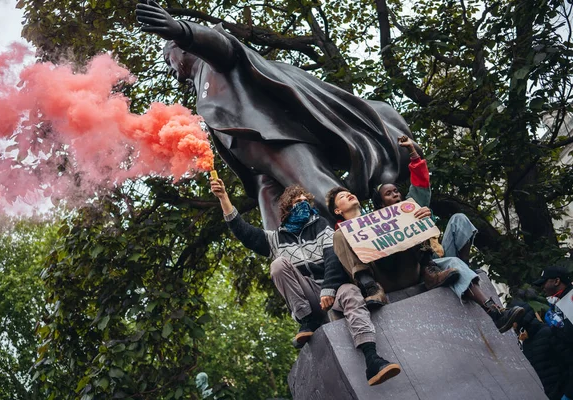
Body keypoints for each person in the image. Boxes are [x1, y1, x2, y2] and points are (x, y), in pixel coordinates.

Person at [136, 0, 416, 230]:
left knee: (325, 196)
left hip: (276, 140)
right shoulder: (201, 86)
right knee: (277, 237)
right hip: (259, 170)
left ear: (181, 50)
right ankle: (312, 284)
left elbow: (223, 46)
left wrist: (181, 31)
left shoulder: (214, 64)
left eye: (167, 59)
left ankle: (378, 259)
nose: (171, 71)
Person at [210, 178, 401, 385]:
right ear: (287, 210)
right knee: (278, 265)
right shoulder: (275, 239)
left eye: (305, 202)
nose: (303, 205)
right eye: (297, 202)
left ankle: (372, 358)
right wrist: (223, 197)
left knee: (351, 293)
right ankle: (307, 321)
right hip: (309, 298)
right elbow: (243, 231)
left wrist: (329, 288)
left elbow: (332, 259)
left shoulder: (321, 226)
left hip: (333, 291)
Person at [326, 137, 524, 333]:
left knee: (428, 228)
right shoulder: (341, 234)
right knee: (341, 235)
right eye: (343, 196)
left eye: (397, 191)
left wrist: (422, 216)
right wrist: (330, 291)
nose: (396, 195)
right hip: (381, 277)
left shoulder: (406, 209)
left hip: (415, 267)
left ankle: (495, 312)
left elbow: (420, 189)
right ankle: (371, 287)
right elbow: (335, 269)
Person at [530, 265, 573, 400]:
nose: (542, 287)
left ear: (556, 281)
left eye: (545, 282)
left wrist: (557, 328)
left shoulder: (570, 300)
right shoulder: (558, 303)